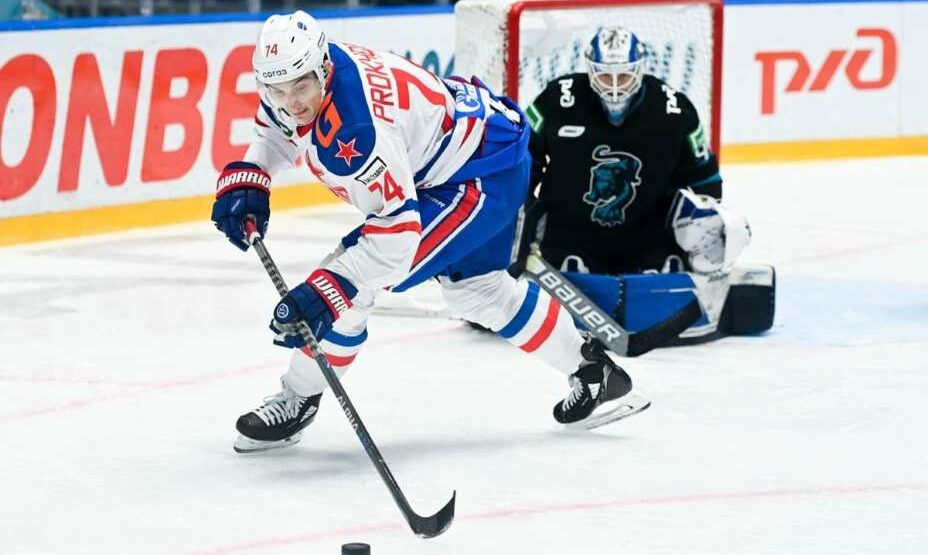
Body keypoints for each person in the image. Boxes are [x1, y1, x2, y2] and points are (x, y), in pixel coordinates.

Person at [210, 11, 650, 453]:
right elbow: (279, 127)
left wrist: (330, 288)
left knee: (349, 286)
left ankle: (298, 398)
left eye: (300, 88)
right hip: (484, 148)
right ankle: (595, 373)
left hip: (478, 175)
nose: (291, 102)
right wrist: (253, 172)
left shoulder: (358, 132)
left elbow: (397, 237)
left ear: (323, 68)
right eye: (277, 89)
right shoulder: (304, 71)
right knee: (478, 290)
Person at [517, 25, 774, 344]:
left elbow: (704, 178)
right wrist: (523, 219)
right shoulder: (557, 99)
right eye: (605, 76)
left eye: (623, 76)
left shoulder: (674, 110)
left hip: (648, 241)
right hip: (569, 239)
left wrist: (703, 230)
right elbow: (523, 160)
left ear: (639, 70)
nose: (614, 87)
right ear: (590, 70)